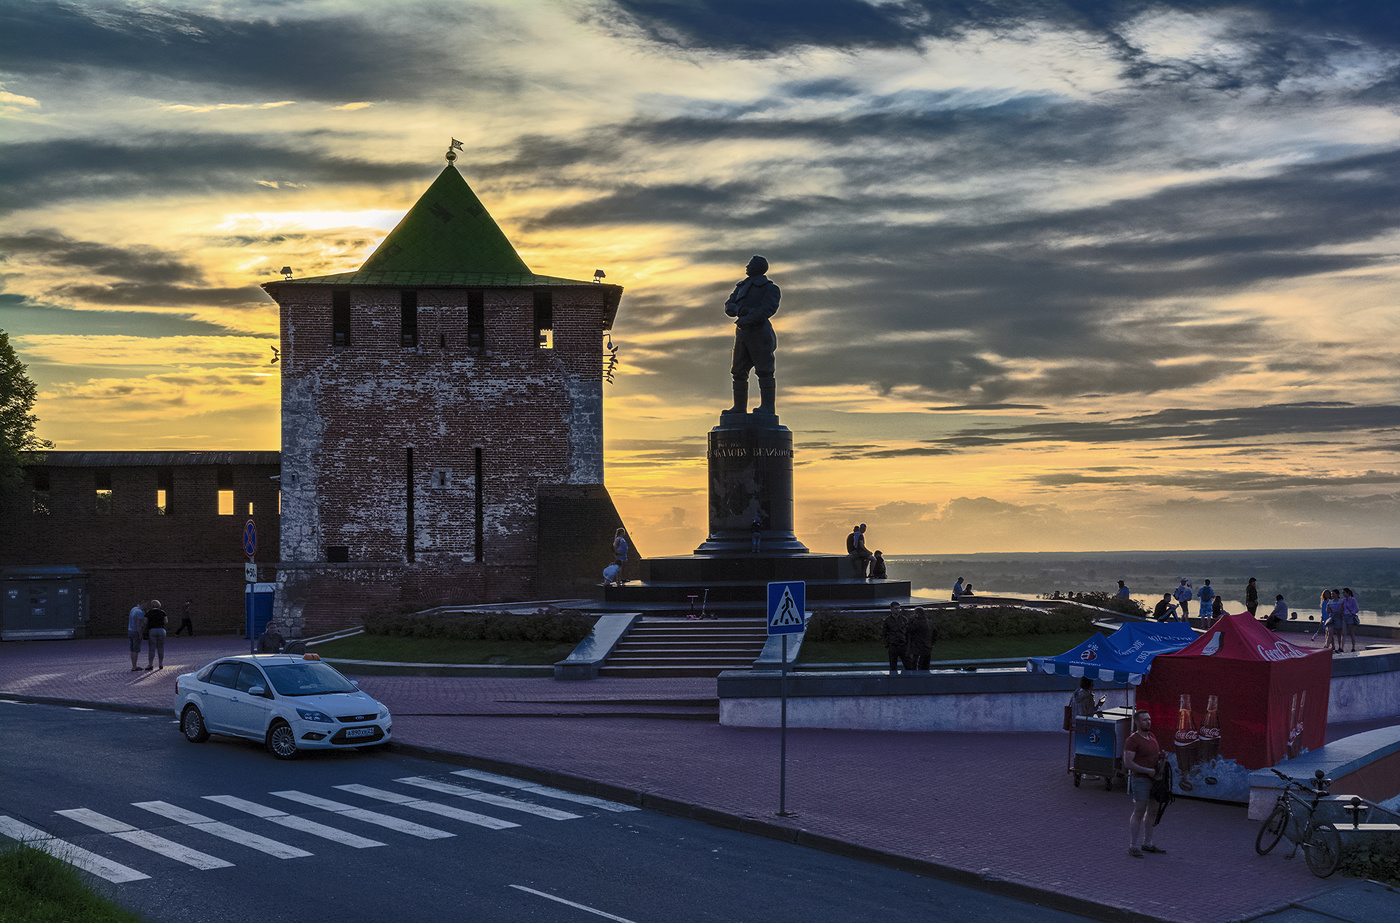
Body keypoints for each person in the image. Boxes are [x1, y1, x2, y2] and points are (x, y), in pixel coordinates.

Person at [723, 255, 781, 415]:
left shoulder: (770, 288)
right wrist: (739, 311)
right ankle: (739, 407)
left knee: (765, 370)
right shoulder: (741, 286)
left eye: (750, 264)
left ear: (758, 267)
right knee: (738, 371)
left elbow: (768, 309)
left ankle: (768, 407)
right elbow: (729, 305)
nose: (747, 266)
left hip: (759, 333)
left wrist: (750, 317)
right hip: (742, 333)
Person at [1124, 710, 1166, 857]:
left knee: (1153, 811)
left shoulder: (1151, 736)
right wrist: (1146, 770)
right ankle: (1133, 846)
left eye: (1149, 719)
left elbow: (1154, 755)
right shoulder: (1132, 740)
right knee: (1139, 811)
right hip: (1141, 780)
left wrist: (1161, 758)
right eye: (1144, 720)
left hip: (1155, 780)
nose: (1148, 722)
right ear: (1137, 722)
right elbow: (1128, 763)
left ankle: (1147, 843)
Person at [881, 602, 909, 674]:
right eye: (896, 608)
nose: (898, 610)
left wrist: (907, 643)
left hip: (903, 644)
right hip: (893, 645)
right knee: (893, 666)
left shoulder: (904, 619)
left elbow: (907, 632)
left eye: (899, 608)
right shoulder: (887, 620)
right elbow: (884, 633)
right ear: (891, 609)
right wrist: (887, 644)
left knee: (908, 664)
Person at [906, 607, 934, 671]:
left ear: (917, 614)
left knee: (916, 664)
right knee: (925, 665)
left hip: (919, 646)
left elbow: (909, 629)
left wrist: (910, 620)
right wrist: (932, 642)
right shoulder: (929, 622)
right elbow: (935, 633)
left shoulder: (918, 623)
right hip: (927, 646)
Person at [143, 600, 168, 671]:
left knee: (152, 649)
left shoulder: (149, 612)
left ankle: (150, 664)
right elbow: (166, 621)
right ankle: (161, 664)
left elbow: (145, 622)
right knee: (161, 648)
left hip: (152, 630)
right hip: (161, 630)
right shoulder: (162, 612)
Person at [127, 600, 148, 672]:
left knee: (132, 649)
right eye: (146, 605)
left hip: (130, 630)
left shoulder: (133, 609)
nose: (146, 607)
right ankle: (134, 667)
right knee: (136, 650)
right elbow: (138, 625)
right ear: (143, 604)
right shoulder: (140, 612)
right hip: (135, 632)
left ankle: (133, 665)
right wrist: (140, 635)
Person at [1341, 588, 1360, 653]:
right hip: (1345, 617)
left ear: (1348, 593)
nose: (1343, 594)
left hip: (1350, 617)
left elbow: (1356, 609)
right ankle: (1342, 648)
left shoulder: (1352, 600)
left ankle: (1353, 647)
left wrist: (1352, 613)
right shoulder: (1344, 600)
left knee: (1351, 633)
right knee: (1343, 633)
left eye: (1344, 592)